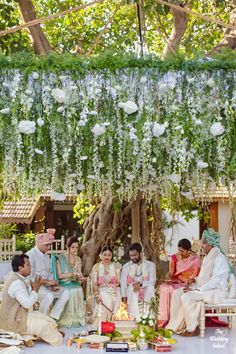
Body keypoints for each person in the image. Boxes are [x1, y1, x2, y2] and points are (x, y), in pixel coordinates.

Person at [167, 228, 230, 337]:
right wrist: (193, 280)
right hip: (205, 289)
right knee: (177, 293)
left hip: (215, 291)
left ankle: (193, 327)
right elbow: (203, 278)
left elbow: (215, 281)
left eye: (204, 243)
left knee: (186, 297)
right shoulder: (207, 257)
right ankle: (176, 325)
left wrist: (196, 289)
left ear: (211, 243)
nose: (202, 245)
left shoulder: (219, 258)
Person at [0, 254, 62, 346]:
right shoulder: (17, 283)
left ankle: (53, 332)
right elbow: (28, 304)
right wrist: (35, 289)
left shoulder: (19, 277)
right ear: (20, 268)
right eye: (28, 264)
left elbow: (29, 293)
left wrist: (36, 286)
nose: (30, 267)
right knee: (44, 326)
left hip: (19, 315)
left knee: (47, 319)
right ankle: (58, 339)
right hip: (14, 321)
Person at [26, 229, 70, 320]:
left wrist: (53, 284)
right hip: (34, 287)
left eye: (50, 245)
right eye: (47, 245)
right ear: (39, 244)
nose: (49, 247)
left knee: (66, 292)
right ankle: (42, 319)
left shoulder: (46, 256)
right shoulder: (30, 255)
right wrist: (47, 282)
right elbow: (29, 277)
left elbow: (49, 273)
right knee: (49, 296)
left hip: (47, 286)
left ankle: (52, 317)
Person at [158, 238, 201, 326]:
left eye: (182, 251)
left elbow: (196, 276)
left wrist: (189, 280)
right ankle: (164, 319)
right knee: (164, 287)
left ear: (188, 250)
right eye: (179, 250)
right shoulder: (174, 257)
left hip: (189, 283)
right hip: (176, 280)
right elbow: (171, 272)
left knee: (174, 290)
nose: (180, 253)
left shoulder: (195, 259)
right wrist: (168, 274)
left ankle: (176, 319)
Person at [51, 236, 86, 327]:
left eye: (77, 247)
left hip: (74, 283)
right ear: (68, 247)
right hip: (63, 284)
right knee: (72, 291)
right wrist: (71, 274)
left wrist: (81, 278)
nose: (75, 249)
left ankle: (77, 319)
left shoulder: (78, 259)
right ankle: (66, 318)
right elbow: (60, 276)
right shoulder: (60, 258)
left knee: (78, 289)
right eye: (73, 247)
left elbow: (79, 273)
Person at [120, 243, 156, 321]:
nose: (133, 258)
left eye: (135, 255)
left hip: (146, 288)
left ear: (141, 253)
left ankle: (147, 316)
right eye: (131, 255)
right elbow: (123, 283)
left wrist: (141, 284)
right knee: (133, 289)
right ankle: (134, 317)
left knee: (150, 288)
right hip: (131, 290)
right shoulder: (126, 266)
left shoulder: (150, 265)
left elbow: (152, 281)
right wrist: (123, 297)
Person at [91, 245, 121, 324]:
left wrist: (112, 286)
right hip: (102, 289)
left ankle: (114, 319)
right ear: (101, 255)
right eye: (105, 255)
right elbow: (94, 283)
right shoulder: (96, 267)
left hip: (113, 288)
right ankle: (105, 321)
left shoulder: (115, 266)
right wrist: (97, 294)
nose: (107, 257)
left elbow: (118, 282)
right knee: (104, 295)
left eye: (109, 255)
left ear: (111, 255)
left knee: (117, 295)